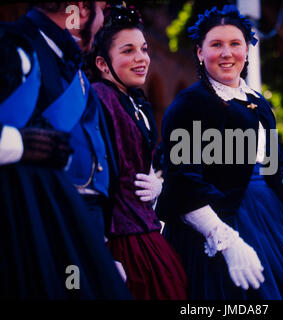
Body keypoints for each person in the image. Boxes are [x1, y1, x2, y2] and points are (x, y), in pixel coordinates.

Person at [156, 5, 283, 300]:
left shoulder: (257, 102)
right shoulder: (189, 104)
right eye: (216, 44)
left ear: (247, 48)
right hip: (217, 222)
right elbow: (183, 184)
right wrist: (225, 240)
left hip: (270, 219)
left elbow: (274, 163)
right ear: (200, 53)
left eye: (235, 44)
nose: (227, 53)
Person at [0, 9, 131, 299]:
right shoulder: (14, 46)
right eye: (102, 7)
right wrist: (14, 143)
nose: (103, 18)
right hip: (33, 221)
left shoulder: (71, 64)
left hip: (84, 221)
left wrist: (101, 243)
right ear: (82, 9)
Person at [86, 4, 187, 300]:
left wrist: (160, 182)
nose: (141, 58)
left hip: (147, 229)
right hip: (121, 238)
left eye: (143, 49)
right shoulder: (100, 98)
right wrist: (101, 247)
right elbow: (96, 175)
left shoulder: (134, 102)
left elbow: (149, 160)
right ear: (104, 64)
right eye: (128, 51)